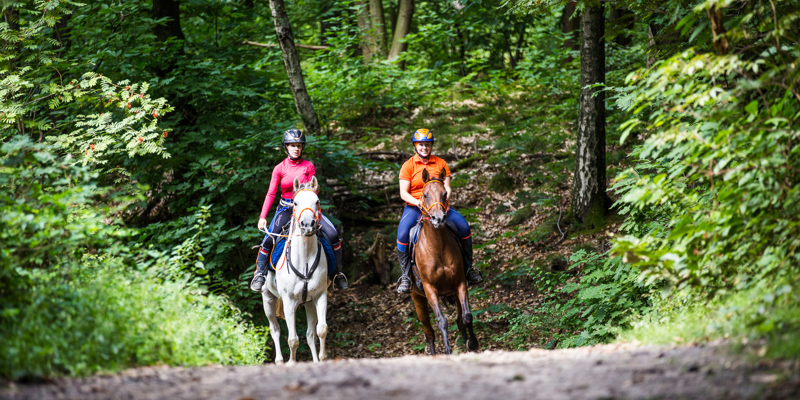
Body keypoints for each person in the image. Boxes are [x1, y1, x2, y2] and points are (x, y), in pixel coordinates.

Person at [250, 129, 349, 292]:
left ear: (302, 147)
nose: (296, 148)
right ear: (286, 147)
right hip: (286, 209)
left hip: (306, 209)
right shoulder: (279, 168)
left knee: (333, 234)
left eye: (298, 146)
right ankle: (260, 274)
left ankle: (338, 273)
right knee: (269, 239)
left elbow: (313, 190)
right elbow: (271, 193)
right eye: (292, 145)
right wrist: (263, 216)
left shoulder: (308, 166)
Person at [395, 128, 483, 293]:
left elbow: (447, 188)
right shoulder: (408, 166)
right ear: (415, 146)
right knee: (402, 235)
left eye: (427, 145)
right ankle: (406, 276)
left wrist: (442, 201)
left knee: (464, 227)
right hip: (415, 208)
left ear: (431, 146)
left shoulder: (441, 163)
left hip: (439, 207)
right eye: (421, 145)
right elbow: (403, 193)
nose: (424, 148)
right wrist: (418, 202)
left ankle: (469, 269)